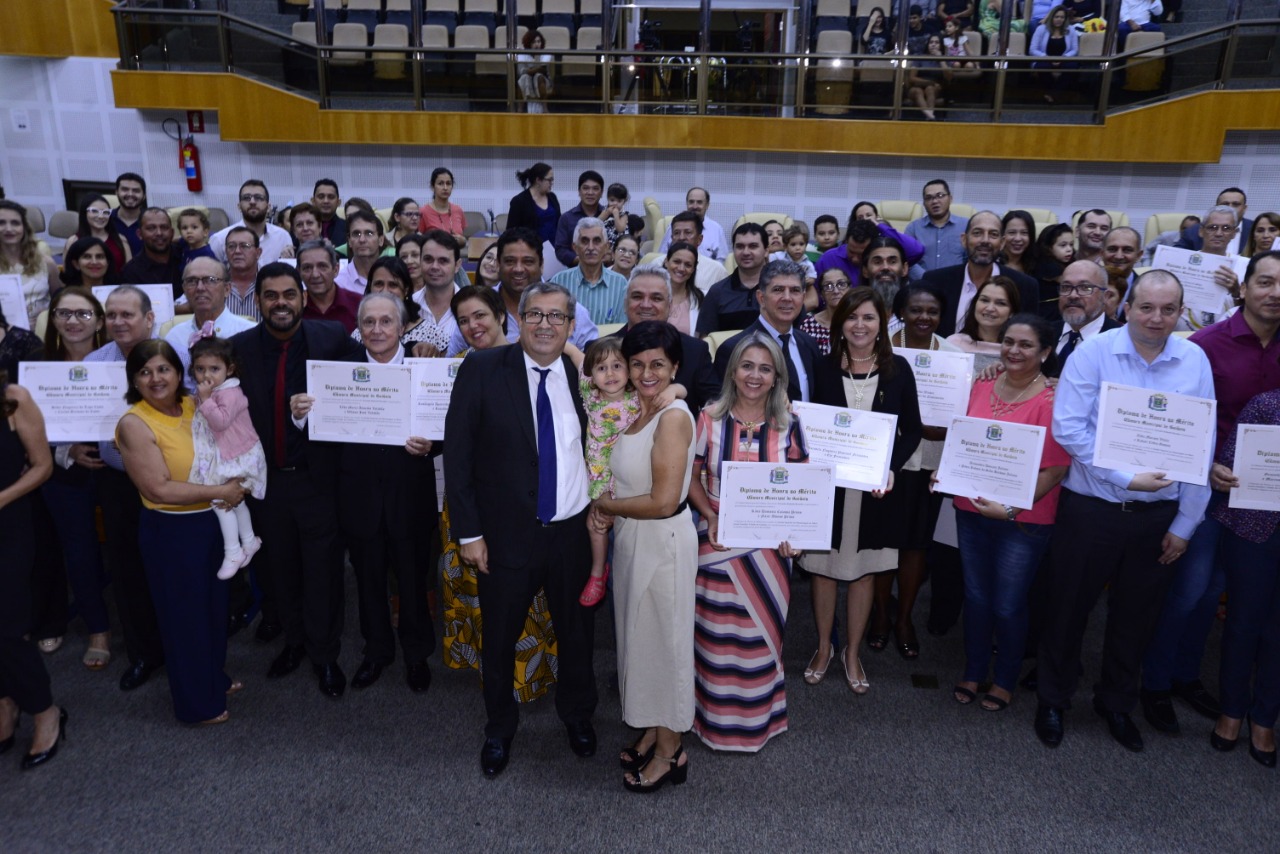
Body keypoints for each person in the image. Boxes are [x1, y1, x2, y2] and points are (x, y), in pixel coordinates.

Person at [1035, 270, 1215, 753]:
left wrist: (1186, 523)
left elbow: (1201, 442)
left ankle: (1116, 703)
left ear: (1181, 313)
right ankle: (1053, 699)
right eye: (1146, 307)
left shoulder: (1195, 359)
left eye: (1168, 309)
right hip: (1092, 509)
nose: (1157, 318)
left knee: (1136, 617)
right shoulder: (1094, 353)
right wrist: (1124, 476)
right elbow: (1068, 428)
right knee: (1067, 609)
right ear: (1126, 307)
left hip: (1158, 516)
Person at [445, 280, 599, 778]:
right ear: (518, 320)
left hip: (573, 534)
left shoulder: (588, 377)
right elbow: (459, 456)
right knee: (499, 639)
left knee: (577, 635)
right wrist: (469, 534)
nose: (545, 325)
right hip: (504, 536)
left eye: (557, 317)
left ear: (571, 326)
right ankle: (499, 727)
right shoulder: (483, 369)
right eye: (535, 315)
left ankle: (577, 715)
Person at [1140, 251, 1280, 737]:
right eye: (1265, 281)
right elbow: (1174, 418)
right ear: (1242, 288)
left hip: (1263, 495)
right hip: (1206, 488)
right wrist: (1208, 463)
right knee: (1191, 591)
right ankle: (1156, 682)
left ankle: (1187, 675)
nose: (1275, 293)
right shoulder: (1205, 345)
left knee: (1226, 594)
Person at [230, 262, 363, 698]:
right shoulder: (239, 349)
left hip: (317, 480)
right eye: (271, 296)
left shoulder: (332, 339)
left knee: (323, 571)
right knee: (279, 569)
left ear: (304, 298)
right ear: (258, 302)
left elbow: (363, 391)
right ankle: (293, 642)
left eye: (289, 294)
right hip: (265, 483)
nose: (281, 303)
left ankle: (324, 655)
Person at [297, 292, 438, 693]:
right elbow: (320, 434)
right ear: (358, 328)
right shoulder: (337, 372)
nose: (377, 330)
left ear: (402, 326)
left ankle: (416, 654)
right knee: (369, 582)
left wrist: (432, 445)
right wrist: (300, 414)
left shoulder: (423, 368)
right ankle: (377, 652)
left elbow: (445, 426)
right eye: (369, 322)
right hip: (358, 498)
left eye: (386, 321)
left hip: (410, 498)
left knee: (412, 582)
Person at [437, 284, 559, 706]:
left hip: (531, 511)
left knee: (530, 605)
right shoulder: (458, 367)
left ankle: (529, 676)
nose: (473, 326)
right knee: (479, 599)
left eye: (480, 316)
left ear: (502, 317)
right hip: (472, 509)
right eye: (463, 320)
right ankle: (490, 678)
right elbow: (455, 445)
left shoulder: (549, 363)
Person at [116, 339, 248, 725]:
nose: (156, 378)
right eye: (145, 372)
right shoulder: (133, 424)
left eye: (164, 369)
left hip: (212, 523)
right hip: (172, 531)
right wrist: (221, 491)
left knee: (213, 611)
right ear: (134, 380)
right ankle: (196, 706)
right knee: (184, 619)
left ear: (179, 373)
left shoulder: (193, 404)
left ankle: (211, 678)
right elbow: (157, 488)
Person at [587, 321, 696, 786]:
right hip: (634, 538)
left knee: (666, 646)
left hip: (662, 541)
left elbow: (664, 501)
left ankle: (671, 753)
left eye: (658, 365)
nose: (647, 373)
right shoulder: (636, 407)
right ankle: (654, 728)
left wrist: (604, 506)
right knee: (643, 643)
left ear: (674, 367)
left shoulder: (671, 417)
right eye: (638, 364)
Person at [688, 333, 806, 749]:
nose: (755, 376)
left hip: (771, 554)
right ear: (733, 371)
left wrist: (796, 535)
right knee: (714, 639)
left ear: (777, 377)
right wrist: (709, 515)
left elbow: (805, 487)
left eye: (765, 369)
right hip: (716, 544)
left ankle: (757, 726)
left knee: (760, 638)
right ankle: (713, 725)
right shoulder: (708, 418)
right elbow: (691, 476)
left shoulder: (791, 424)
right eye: (747, 366)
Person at [946, 313, 1070, 712]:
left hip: (1024, 520)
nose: (1014, 351)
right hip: (972, 509)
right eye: (1009, 342)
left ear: (1045, 352)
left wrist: (1011, 508)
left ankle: (1004, 679)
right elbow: (964, 441)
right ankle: (974, 669)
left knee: (1008, 603)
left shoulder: (1053, 401)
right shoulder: (981, 384)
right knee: (976, 597)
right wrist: (946, 471)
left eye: (1026, 345)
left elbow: (1056, 469)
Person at [806, 291, 922, 695]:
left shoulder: (898, 369)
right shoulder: (821, 368)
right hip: (829, 491)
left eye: (869, 318)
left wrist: (890, 468)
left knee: (865, 571)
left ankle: (852, 652)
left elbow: (913, 429)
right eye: (852, 317)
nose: (860, 325)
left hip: (875, 491)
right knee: (822, 569)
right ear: (840, 323)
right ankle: (824, 647)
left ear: (882, 324)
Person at [85, 286, 168, 692]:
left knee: (172, 569)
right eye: (112, 315)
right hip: (117, 483)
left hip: (168, 481)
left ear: (149, 319)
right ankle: (142, 654)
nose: (119, 322)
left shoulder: (172, 357)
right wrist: (73, 449)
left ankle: (180, 647)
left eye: (128, 314)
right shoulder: (94, 363)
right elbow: (78, 419)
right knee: (127, 569)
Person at [876, 282, 958, 656]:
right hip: (889, 461)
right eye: (916, 310)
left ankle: (904, 618)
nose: (924, 317)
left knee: (917, 545)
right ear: (901, 313)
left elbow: (963, 413)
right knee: (883, 542)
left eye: (932, 311)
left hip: (930, 462)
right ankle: (880, 614)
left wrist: (948, 428)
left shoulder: (954, 357)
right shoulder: (882, 349)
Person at [575, 336, 686, 608]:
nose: (610, 374)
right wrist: (567, 345)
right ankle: (598, 572)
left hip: (627, 476)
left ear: (628, 370)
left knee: (620, 525)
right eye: (601, 369)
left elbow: (681, 388)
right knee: (595, 524)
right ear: (592, 375)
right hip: (600, 476)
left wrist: (674, 390)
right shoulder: (590, 395)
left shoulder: (637, 397)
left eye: (617, 366)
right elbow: (579, 360)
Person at [1208, 388, 1280, 768]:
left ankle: (1265, 718)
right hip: (1253, 527)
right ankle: (1232, 709)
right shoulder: (1266, 405)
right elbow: (1229, 464)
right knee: (1243, 624)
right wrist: (1222, 475)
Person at [0, 365, 62, 769]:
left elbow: (42, 466)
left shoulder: (14, 399)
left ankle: (44, 710)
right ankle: (6, 704)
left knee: (6, 627)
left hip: (8, 525)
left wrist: (1, 498)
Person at [186, 336, 266, 580]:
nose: (206, 375)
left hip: (240, 455)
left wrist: (205, 400)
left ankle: (233, 551)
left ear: (229, 369)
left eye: (214, 369)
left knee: (219, 501)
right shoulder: (214, 391)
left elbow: (220, 422)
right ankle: (249, 540)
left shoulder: (230, 393)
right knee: (235, 502)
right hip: (229, 454)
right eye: (200, 369)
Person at [446, 227, 598, 355]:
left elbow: (594, 365)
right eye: (510, 261)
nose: (518, 269)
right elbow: (450, 363)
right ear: (498, 264)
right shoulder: (477, 308)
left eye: (528, 261)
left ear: (541, 265)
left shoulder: (572, 310)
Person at [611, 264, 720, 414]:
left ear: (669, 305)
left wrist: (680, 391)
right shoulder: (601, 350)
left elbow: (717, 405)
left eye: (656, 298)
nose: (646, 305)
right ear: (625, 303)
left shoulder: (694, 351)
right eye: (637, 297)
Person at [713, 260, 822, 404]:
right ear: (761, 298)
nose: (787, 298)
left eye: (795, 290)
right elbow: (722, 406)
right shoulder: (733, 348)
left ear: (803, 297)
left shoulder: (808, 344)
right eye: (778, 290)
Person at [925, 210, 1040, 338]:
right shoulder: (935, 281)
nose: (985, 240)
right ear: (964, 240)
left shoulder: (1025, 286)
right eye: (977, 233)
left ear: (1002, 243)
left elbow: (1028, 337)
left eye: (993, 234)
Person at [163, 257, 258, 384]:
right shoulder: (174, 337)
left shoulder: (249, 333)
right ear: (184, 290)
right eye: (192, 281)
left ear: (227, 289)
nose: (200, 287)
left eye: (210, 280)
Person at [356, 255, 448, 352]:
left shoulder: (433, 335)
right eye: (379, 284)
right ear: (370, 287)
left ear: (406, 290)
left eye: (393, 285)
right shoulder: (360, 335)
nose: (385, 291)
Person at [696, 222, 769, 336]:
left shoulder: (780, 290)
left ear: (766, 251)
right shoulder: (717, 292)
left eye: (753, 246)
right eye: (740, 246)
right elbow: (706, 339)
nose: (745, 252)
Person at [552, 216, 627, 325]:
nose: (591, 247)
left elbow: (621, 327)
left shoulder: (620, 284)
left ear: (606, 247)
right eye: (584, 241)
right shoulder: (559, 282)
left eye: (597, 241)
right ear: (575, 247)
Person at [1052, 260, 1122, 372]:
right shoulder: (1044, 333)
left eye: (1085, 288)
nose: (1073, 295)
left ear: (1105, 296)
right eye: (1066, 287)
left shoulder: (1121, 340)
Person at [0, 200, 59, 329]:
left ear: (24, 228)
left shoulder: (46, 263)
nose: (9, 229)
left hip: (41, 332)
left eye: (15, 223)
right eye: (1, 223)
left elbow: (59, 301)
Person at [947, 277, 1021, 372]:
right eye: (985, 300)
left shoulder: (1018, 351)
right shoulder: (953, 344)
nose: (990, 308)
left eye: (1000, 303)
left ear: (1012, 312)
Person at [210, 180, 293, 264]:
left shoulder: (283, 237)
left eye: (259, 198)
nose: (252, 202)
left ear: (268, 207)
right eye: (246, 198)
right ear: (239, 206)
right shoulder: (220, 239)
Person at [906, 179, 969, 278]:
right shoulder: (913, 228)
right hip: (922, 283)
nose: (935, 201)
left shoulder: (966, 225)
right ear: (924, 203)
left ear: (950, 198)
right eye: (929, 198)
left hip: (957, 283)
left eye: (940, 195)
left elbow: (971, 259)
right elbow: (908, 260)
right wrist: (928, 279)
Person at [120, 208, 185, 299]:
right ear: (140, 234)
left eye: (164, 227)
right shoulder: (131, 272)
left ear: (172, 233)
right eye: (151, 228)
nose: (159, 233)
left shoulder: (186, 255)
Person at [298, 240, 361, 334]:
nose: (315, 275)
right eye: (307, 268)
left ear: (336, 270)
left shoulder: (358, 305)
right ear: (299, 272)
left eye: (322, 266)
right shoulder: (294, 308)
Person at [658, 187, 730, 262]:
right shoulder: (674, 227)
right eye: (691, 202)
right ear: (687, 203)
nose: (695, 206)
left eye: (699, 202)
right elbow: (662, 256)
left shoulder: (716, 229)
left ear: (707, 205)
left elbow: (722, 260)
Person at [64, 194, 131, 272]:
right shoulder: (73, 241)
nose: (101, 216)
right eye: (94, 211)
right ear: (84, 213)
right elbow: (68, 272)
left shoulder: (121, 240)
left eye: (105, 212)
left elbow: (129, 271)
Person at [554, 171, 606, 269]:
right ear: (579, 191)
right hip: (575, 271)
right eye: (586, 188)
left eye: (595, 189)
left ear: (602, 192)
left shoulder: (610, 216)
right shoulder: (566, 218)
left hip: (607, 270)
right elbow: (561, 250)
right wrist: (583, 260)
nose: (590, 193)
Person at [1030, 5, 1079, 103]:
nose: (1059, 19)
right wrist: (1046, 58)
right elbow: (1032, 49)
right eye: (1056, 17)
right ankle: (1055, 94)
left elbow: (1075, 50)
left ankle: (1052, 94)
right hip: (1045, 59)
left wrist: (1064, 58)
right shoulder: (1041, 29)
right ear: (1051, 17)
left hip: (1064, 59)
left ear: (1065, 19)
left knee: (1072, 66)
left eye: (1062, 17)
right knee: (1042, 66)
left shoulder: (1071, 29)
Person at [506, 163, 561, 248]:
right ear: (538, 180)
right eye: (549, 180)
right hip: (531, 249)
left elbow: (559, 223)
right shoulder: (519, 201)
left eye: (552, 180)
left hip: (554, 249)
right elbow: (511, 232)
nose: (552, 183)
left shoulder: (552, 197)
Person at [799, 268, 850, 355]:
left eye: (841, 284)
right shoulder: (808, 325)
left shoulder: (859, 322)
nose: (836, 291)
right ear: (821, 294)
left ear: (849, 289)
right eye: (828, 286)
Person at [335, 210, 387, 294]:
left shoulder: (392, 278)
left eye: (369, 234)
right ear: (349, 241)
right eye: (356, 234)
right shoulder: (338, 283)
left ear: (381, 240)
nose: (362, 240)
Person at [663, 242, 704, 336]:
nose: (681, 268)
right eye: (677, 262)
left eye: (688, 265)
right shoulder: (649, 294)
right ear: (666, 262)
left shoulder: (701, 299)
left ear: (693, 269)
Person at [420, 167, 467, 246]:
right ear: (432, 187)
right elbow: (418, 240)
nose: (445, 188)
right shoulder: (423, 212)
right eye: (440, 183)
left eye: (448, 183)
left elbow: (462, 236)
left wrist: (463, 241)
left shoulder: (458, 210)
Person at [905, 34, 946, 121]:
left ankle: (929, 116)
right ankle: (930, 116)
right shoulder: (920, 57)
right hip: (916, 87)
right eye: (931, 42)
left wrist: (941, 59)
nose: (933, 45)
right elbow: (912, 78)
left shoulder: (945, 58)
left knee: (930, 89)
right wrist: (931, 82)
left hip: (934, 89)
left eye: (937, 43)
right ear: (927, 45)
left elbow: (949, 77)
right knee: (918, 91)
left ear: (941, 45)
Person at [1034, 222, 1076, 306]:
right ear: (1048, 248)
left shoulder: (1070, 262)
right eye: (1063, 245)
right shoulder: (1046, 267)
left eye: (1071, 244)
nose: (1069, 249)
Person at [110, 172, 147, 256]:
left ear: (144, 195)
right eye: (125, 189)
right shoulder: (105, 219)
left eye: (136, 191)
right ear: (116, 192)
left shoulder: (152, 221)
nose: (130, 194)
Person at [517, 30, 554, 114]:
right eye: (534, 42)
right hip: (528, 79)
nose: (537, 44)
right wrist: (534, 70)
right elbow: (521, 72)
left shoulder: (546, 53)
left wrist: (530, 70)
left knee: (539, 76)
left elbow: (543, 69)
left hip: (544, 80)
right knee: (523, 78)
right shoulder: (523, 54)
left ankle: (545, 108)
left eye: (539, 41)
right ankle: (520, 109)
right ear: (528, 43)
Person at [999, 210, 1038, 276]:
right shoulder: (992, 262)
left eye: (1024, 233)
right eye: (1012, 232)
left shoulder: (1038, 265)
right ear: (1002, 234)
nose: (1018, 239)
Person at [309, 179, 346, 247]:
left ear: (338, 202)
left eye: (331, 197)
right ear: (313, 201)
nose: (326, 201)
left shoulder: (348, 227)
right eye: (321, 197)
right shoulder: (303, 227)